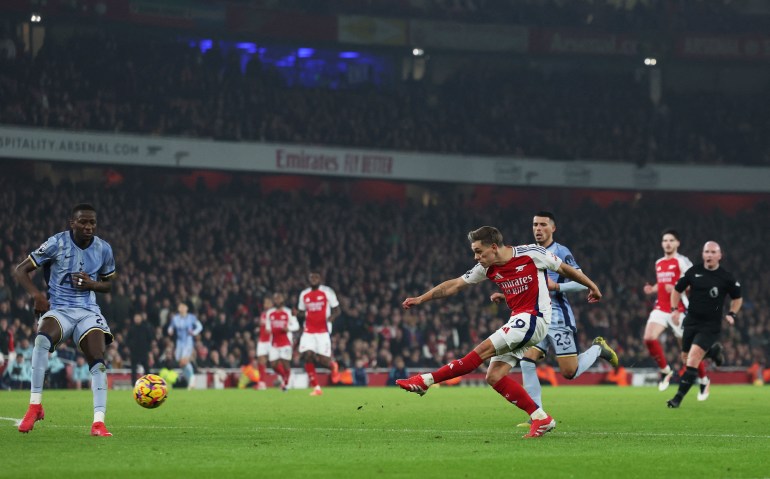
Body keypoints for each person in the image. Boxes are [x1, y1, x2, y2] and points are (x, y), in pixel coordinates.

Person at [396, 226, 602, 438]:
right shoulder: (487, 267)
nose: (476, 257)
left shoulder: (531, 253)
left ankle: (426, 380)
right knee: (494, 376)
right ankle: (541, 418)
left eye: (478, 251)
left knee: (480, 351)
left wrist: (592, 286)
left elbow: (565, 269)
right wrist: (421, 298)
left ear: (493, 247)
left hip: (534, 319)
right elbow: (455, 285)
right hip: (519, 320)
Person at [13, 203, 117, 436]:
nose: (88, 226)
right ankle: (35, 406)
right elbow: (20, 270)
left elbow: (109, 284)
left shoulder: (104, 249)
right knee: (41, 340)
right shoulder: (56, 243)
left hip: (88, 311)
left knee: (98, 360)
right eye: (83, 221)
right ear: (72, 223)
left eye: (92, 222)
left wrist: (92, 284)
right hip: (60, 309)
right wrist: (37, 295)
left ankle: (98, 422)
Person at [512, 212, 618, 427]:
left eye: (543, 224)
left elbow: (582, 282)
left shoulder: (561, 252)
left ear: (553, 228)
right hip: (537, 317)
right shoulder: (530, 253)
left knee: (569, 372)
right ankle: (537, 415)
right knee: (527, 361)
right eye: (535, 224)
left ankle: (598, 349)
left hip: (558, 318)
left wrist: (557, 285)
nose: (538, 228)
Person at [667, 241, 742, 408]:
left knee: (693, 359)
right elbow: (676, 290)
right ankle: (713, 351)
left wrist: (732, 313)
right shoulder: (693, 272)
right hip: (691, 321)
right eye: (706, 252)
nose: (709, 255)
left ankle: (677, 399)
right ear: (703, 254)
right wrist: (674, 310)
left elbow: (737, 297)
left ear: (719, 256)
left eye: (713, 252)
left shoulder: (726, 277)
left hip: (710, 325)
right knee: (685, 358)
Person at [642, 229, 697, 391]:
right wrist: (652, 289)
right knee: (649, 338)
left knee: (686, 352)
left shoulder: (682, 262)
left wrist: (675, 287)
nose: (668, 243)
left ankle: (699, 377)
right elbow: (662, 283)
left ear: (677, 243)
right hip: (661, 307)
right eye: (665, 240)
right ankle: (666, 370)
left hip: (679, 309)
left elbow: (693, 283)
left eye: (671, 240)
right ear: (661, 243)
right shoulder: (658, 263)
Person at [296, 270, 340, 396]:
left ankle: (333, 366)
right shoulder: (304, 294)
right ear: (308, 279)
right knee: (307, 355)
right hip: (308, 331)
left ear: (320, 278)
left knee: (323, 360)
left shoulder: (327, 292)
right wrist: (296, 313)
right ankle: (316, 387)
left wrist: (331, 318)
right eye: (311, 277)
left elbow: (337, 309)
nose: (314, 279)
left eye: (316, 277)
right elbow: (301, 311)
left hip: (323, 331)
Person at [265, 292, 299, 391]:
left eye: (279, 298)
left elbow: (296, 326)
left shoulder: (288, 312)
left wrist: (288, 328)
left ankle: (286, 384)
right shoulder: (270, 313)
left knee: (285, 363)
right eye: (275, 299)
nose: (277, 300)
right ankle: (285, 377)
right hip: (274, 342)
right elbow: (268, 327)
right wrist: (268, 330)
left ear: (283, 300)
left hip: (286, 341)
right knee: (273, 365)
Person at [167, 302, 203, 389]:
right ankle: (190, 381)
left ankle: (192, 377)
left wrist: (194, 333)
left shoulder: (191, 317)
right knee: (180, 362)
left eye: (184, 307)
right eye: (180, 307)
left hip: (188, 341)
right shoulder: (175, 318)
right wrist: (170, 330)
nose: (182, 309)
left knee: (184, 360)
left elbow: (200, 326)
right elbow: (171, 327)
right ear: (178, 309)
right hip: (179, 342)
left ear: (187, 308)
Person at [125, 313, 155, 384]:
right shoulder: (131, 328)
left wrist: (148, 349)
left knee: (147, 369)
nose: (137, 319)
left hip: (144, 352)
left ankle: (149, 382)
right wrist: (130, 346)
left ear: (141, 319)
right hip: (134, 352)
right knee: (133, 369)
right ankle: (133, 383)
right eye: (136, 318)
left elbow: (150, 339)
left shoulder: (146, 328)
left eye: (138, 318)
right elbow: (127, 340)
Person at [255, 296, 273, 390]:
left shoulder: (273, 314)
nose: (265, 305)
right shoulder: (263, 314)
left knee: (275, 363)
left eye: (267, 303)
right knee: (261, 361)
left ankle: (283, 379)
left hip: (271, 341)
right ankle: (262, 383)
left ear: (271, 304)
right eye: (264, 303)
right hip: (262, 341)